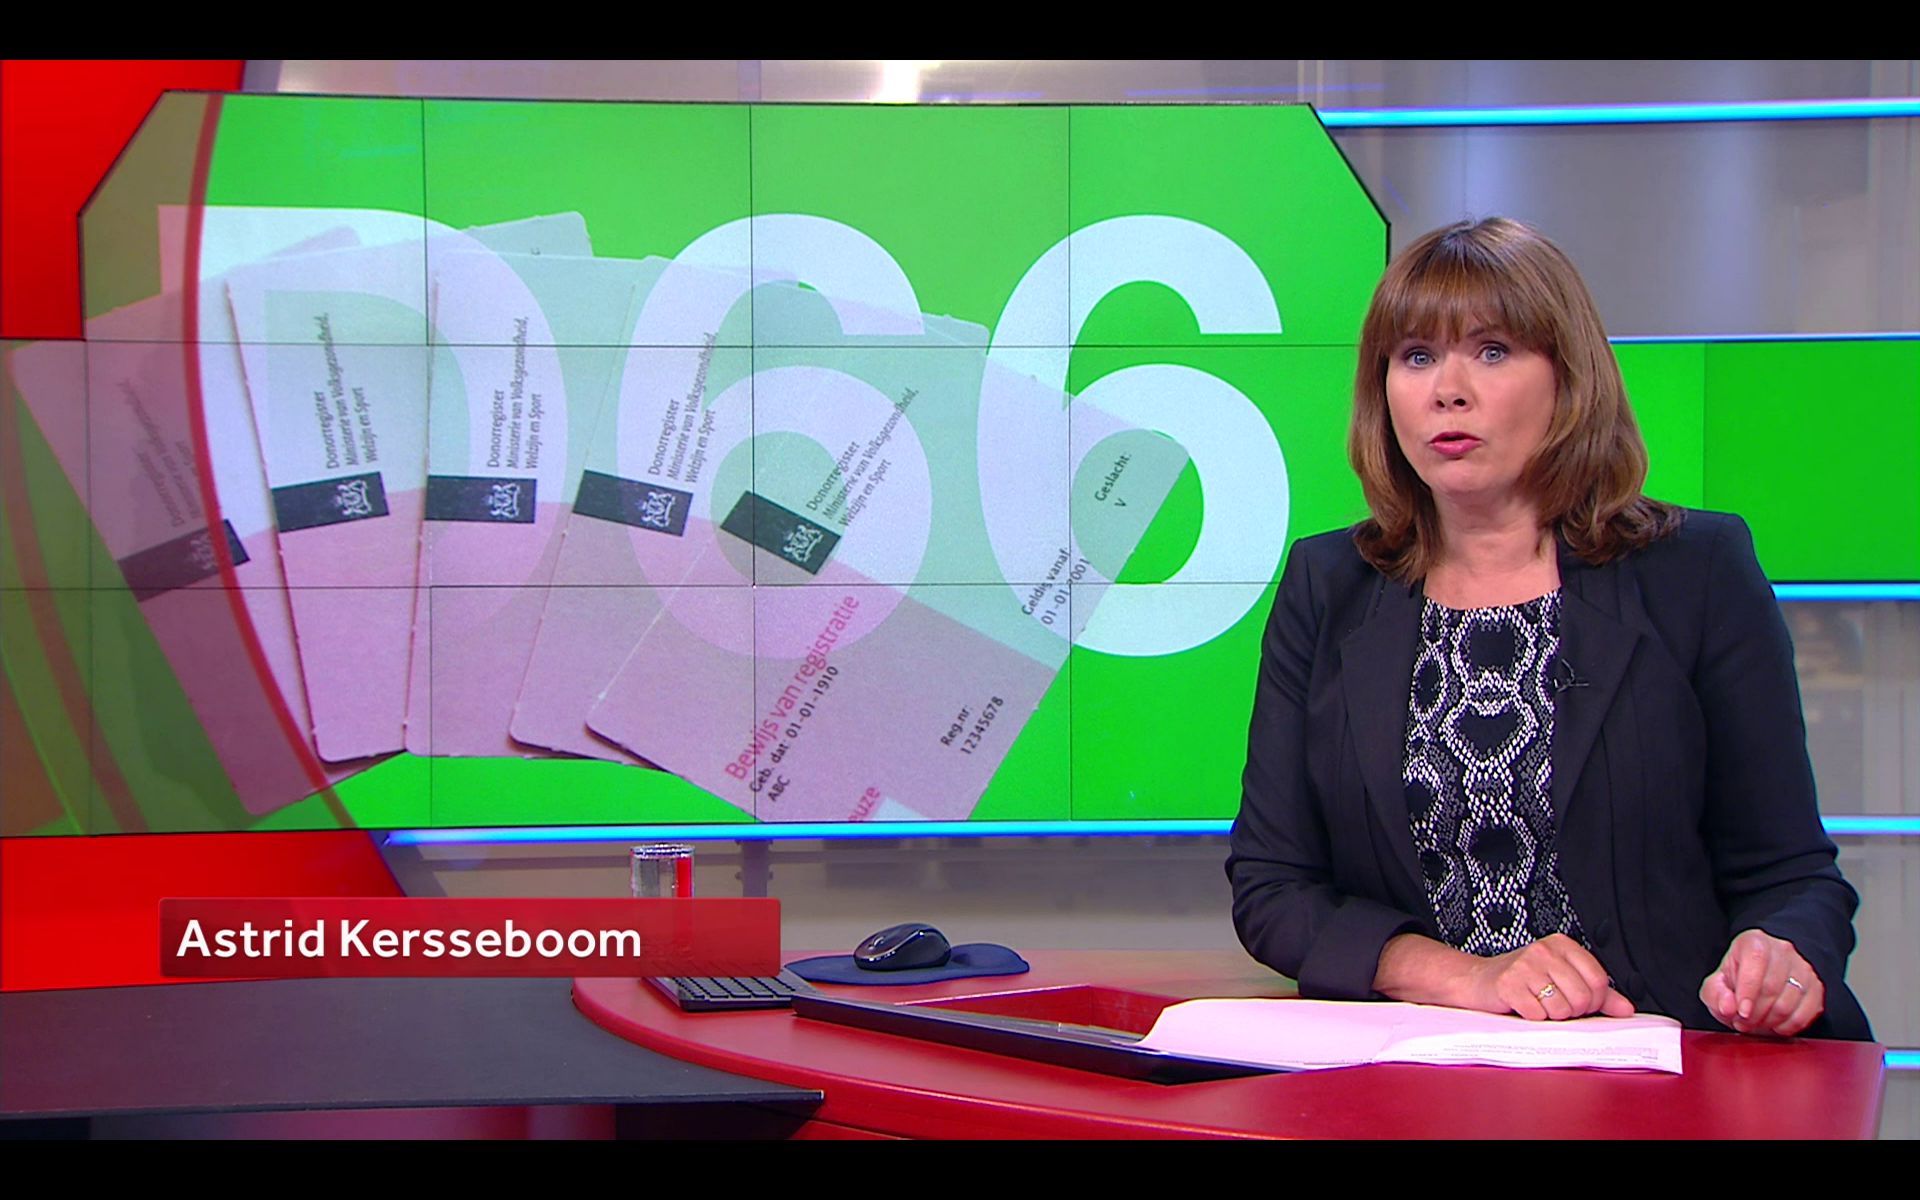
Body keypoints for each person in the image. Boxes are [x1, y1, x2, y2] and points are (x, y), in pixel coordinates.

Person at [1226, 216, 1872, 1040]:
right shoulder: (1329, 587)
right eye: (1416, 356)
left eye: (1492, 351)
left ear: (1569, 379)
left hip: (1666, 1049)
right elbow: (1274, 889)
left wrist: (1778, 951)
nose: (1447, 390)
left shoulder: (1695, 571)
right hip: (1427, 1062)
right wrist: (1465, 977)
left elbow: (1793, 876)